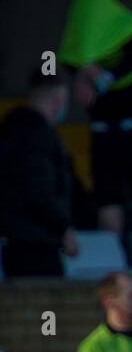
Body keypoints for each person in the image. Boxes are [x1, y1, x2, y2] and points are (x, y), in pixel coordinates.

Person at [58, 0, 132, 235]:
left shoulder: (129, 36)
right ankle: (115, 268)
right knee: (108, 206)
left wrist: (99, 78)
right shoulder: (77, 56)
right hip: (105, 133)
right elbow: (77, 77)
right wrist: (84, 74)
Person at [0, 71, 80, 277]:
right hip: (37, 243)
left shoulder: (10, 130)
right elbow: (39, 190)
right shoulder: (38, 137)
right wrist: (63, 226)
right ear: (58, 99)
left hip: (16, 240)